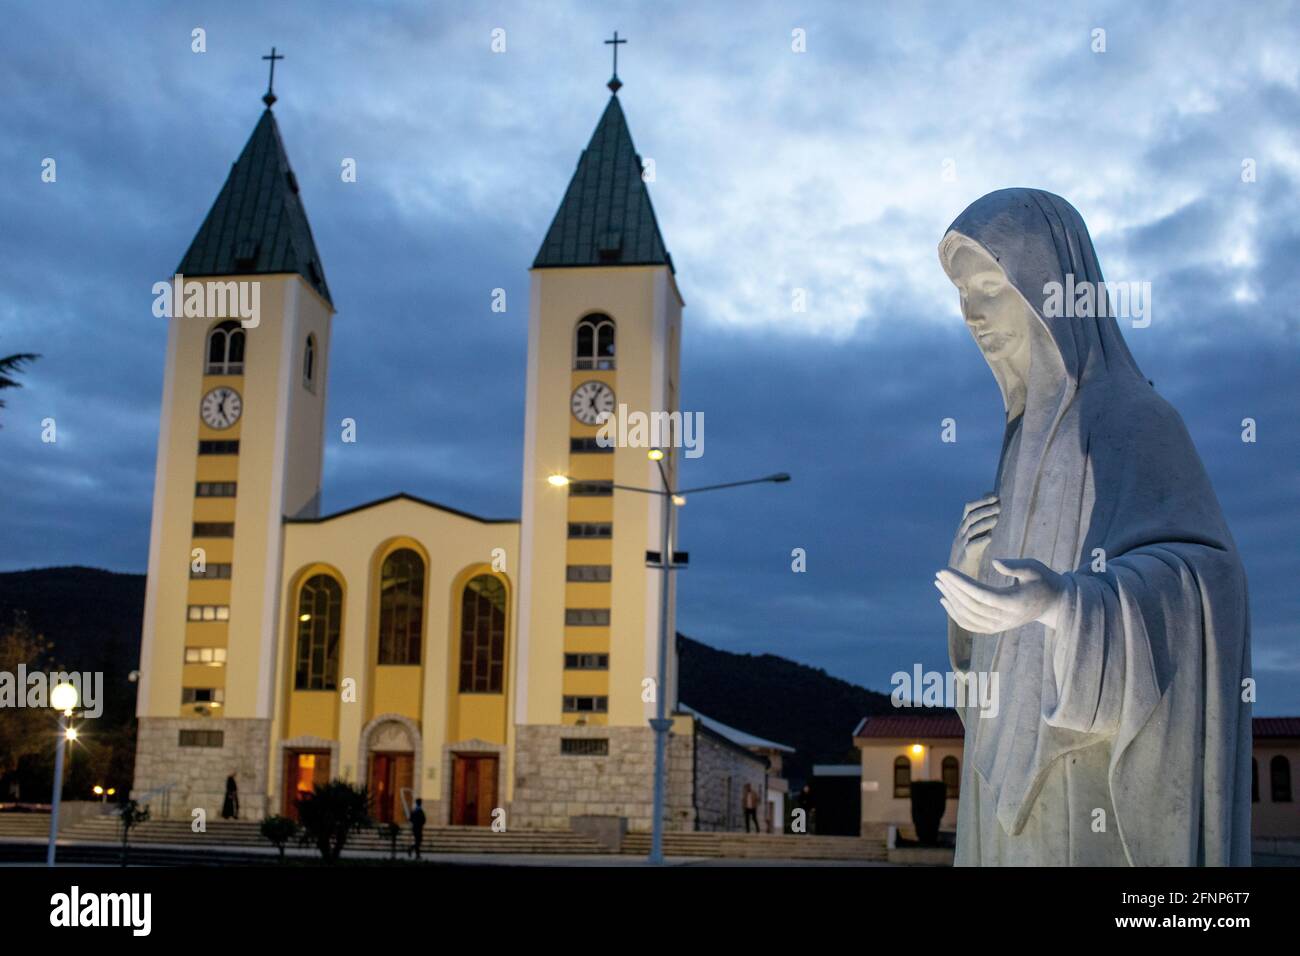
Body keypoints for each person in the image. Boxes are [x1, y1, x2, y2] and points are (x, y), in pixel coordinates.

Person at [933, 188, 1251, 866]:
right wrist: (969, 598)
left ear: (1054, 287)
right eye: (964, 293)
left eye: (991, 284)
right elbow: (992, 661)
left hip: (1087, 781)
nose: (973, 313)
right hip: (1003, 802)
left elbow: (1210, 581)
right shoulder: (1020, 441)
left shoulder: (1132, 420)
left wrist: (1069, 607)